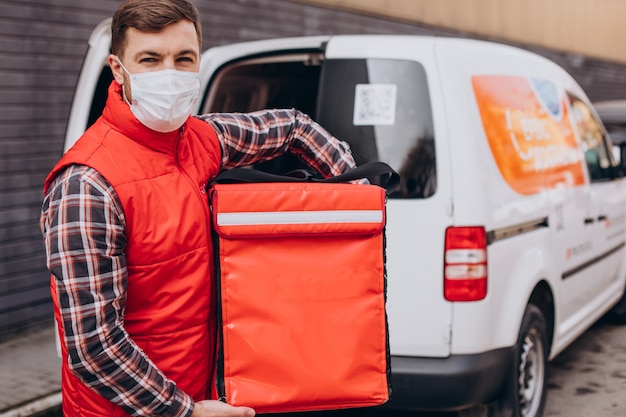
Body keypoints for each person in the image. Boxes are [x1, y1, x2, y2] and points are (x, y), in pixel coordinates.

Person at [39, 1, 359, 416]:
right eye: (150, 59)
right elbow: (93, 346)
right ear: (118, 69)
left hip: (204, 393)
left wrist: (357, 191)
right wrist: (184, 410)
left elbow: (292, 128)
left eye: (183, 59)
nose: (169, 74)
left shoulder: (200, 140)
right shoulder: (87, 185)